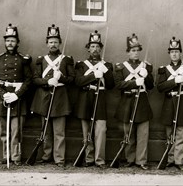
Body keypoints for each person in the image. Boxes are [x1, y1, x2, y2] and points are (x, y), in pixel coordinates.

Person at [30, 24, 75, 167]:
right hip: (44, 98)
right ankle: (46, 156)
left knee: (59, 131)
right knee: (46, 130)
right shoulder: (40, 60)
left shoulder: (66, 59)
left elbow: (72, 79)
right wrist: (47, 81)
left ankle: (59, 158)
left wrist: (61, 77)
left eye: (56, 41)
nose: (53, 44)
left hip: (60, 99)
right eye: (50, 42)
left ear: (60, 43)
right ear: (47, 43)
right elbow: (35, 79)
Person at [0, 23, 32, 166]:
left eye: (13, 40)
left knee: (16, 130)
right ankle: (6, 156)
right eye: (7, 40)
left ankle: (16, 156)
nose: (10, 43)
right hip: (3, 98)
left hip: (18, 99)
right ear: (5, 42)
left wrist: (17, 94)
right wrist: (3, 94)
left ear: (17, 42)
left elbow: (28, 80)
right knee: (4, 131)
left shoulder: (23, 60)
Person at [74, 30, 115, 169]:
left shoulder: (107, 65)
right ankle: (89, 158)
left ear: (101, 48)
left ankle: (100, 160)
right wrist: (93, 76)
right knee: (87, 130)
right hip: (86, 98)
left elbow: (110, 85)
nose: (95, 49)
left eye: (97, 46)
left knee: (101, 130)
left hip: (101, 97)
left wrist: (105, 71)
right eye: (92, 46)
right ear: (88, 48)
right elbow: (78, 81)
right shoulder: (81, 64)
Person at [157, 36, 183, 171]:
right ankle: (169, 158)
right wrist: (175, 81)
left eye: (176, 51)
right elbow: (160, 87)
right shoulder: (164, 69)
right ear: (169, 53)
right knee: (170, 132)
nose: (174, 54)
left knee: (181, 133)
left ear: (180, 53)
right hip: (169, 102)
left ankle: (179, 161)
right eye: (172, 51)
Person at [114, 33, 154, 170]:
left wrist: (146, 76)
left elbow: (150, 86)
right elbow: (118, 84)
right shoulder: (121, 67)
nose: (136, 53)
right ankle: (130, 158)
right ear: (128, 52)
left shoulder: (146, 66)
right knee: (128, 133)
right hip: (127, 101)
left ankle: (141, 160)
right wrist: (134, 82)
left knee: (143, 134)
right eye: (133, 50)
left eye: (137, 50)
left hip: (142, 101)